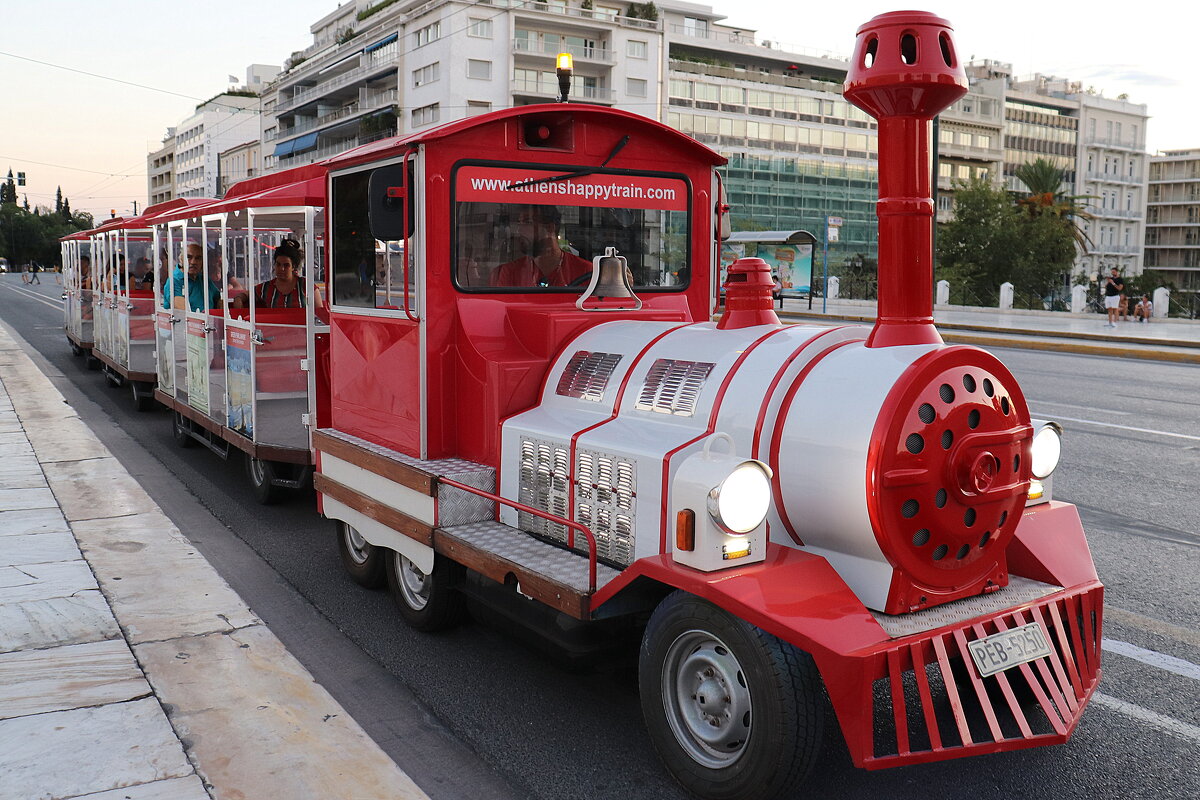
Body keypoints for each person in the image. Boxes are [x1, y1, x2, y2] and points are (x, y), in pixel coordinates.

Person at [491, 205, 591, 287]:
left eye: (527, 222)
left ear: (550, 228)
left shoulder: (588, 272)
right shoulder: (509, 272)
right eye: (519, 223)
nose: (519, 230)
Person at [233, 238, 305, 309]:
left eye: (286, 265)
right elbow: (247, 294)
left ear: (293, 266)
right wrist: (238, 299)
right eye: (278, 264)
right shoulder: (266, 288)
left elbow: (316, 311)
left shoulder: (305, 286)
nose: (281, 269)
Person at [172, 242, 221, 312]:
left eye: (198, 258)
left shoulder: (203, 279)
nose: (193, 262)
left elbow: (219, 297)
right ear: (181, 259)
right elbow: (183, 311)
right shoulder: (175, 280)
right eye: (188, 257)